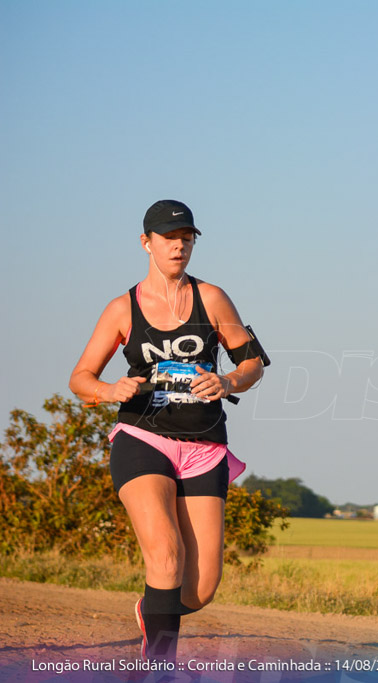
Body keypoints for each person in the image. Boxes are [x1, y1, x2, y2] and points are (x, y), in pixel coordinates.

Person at [69, 200, 267, 662]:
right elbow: (80, 378)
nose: (178, 245)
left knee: (199, 590)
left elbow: (253, 362)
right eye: (167, 238)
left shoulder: (213, 298)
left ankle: (151, 609)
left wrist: (229, 380)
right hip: (143, 437)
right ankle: (159, 667)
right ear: (146, 243)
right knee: (165, 553)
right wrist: (109, 389)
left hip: (204, 445)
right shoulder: (122, 308)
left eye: (187, 238)